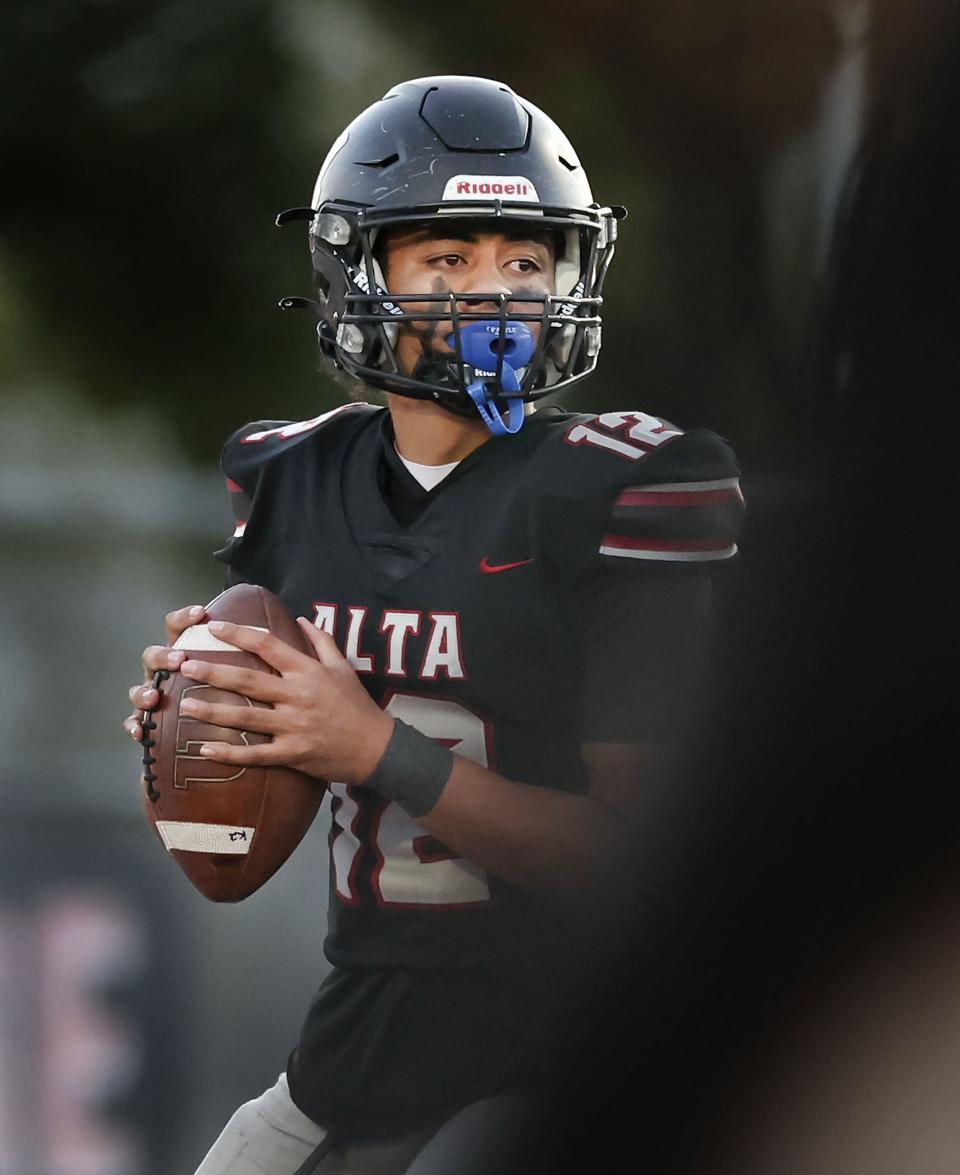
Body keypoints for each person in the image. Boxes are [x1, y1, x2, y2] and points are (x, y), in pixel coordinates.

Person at [124, 75, 744, 1175]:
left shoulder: (623, 487)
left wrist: (372, 746)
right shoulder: (290, 475)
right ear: (357, 273)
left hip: (567, 1052)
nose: (496, 291)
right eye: (447, 258)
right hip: (359, 1046)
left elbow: (649, 865)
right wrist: (207, 719)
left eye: (525, 257)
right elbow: (238, 822)